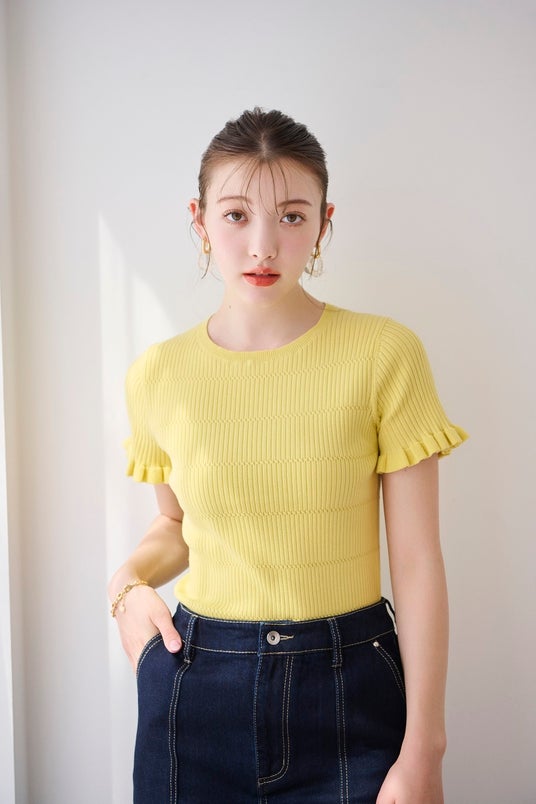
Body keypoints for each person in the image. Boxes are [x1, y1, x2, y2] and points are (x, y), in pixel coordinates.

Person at [108, 107, 467, 804]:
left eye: (292, 217)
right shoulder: (157, 374)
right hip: (195, 690)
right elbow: (176, 525)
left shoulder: (384, 354)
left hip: (349, 690)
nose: (263, 246)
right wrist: (126, 584)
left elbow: (418, 559)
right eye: (236, 215)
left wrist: (425, 748)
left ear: (324, 224)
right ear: (199, 220)